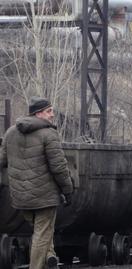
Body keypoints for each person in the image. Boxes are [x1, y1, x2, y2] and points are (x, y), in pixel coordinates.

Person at [0, 96, 73, 269]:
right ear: (38, 113)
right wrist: (68, 190)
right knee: (42, 234)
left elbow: (2, 160)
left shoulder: (10, 132)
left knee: (41, 232)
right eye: (49, 111)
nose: (52, 115)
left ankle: (50, 257)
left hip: (20, 197)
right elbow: (59, 167)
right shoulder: (49, 134)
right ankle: (39, 264)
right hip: (44, 197)